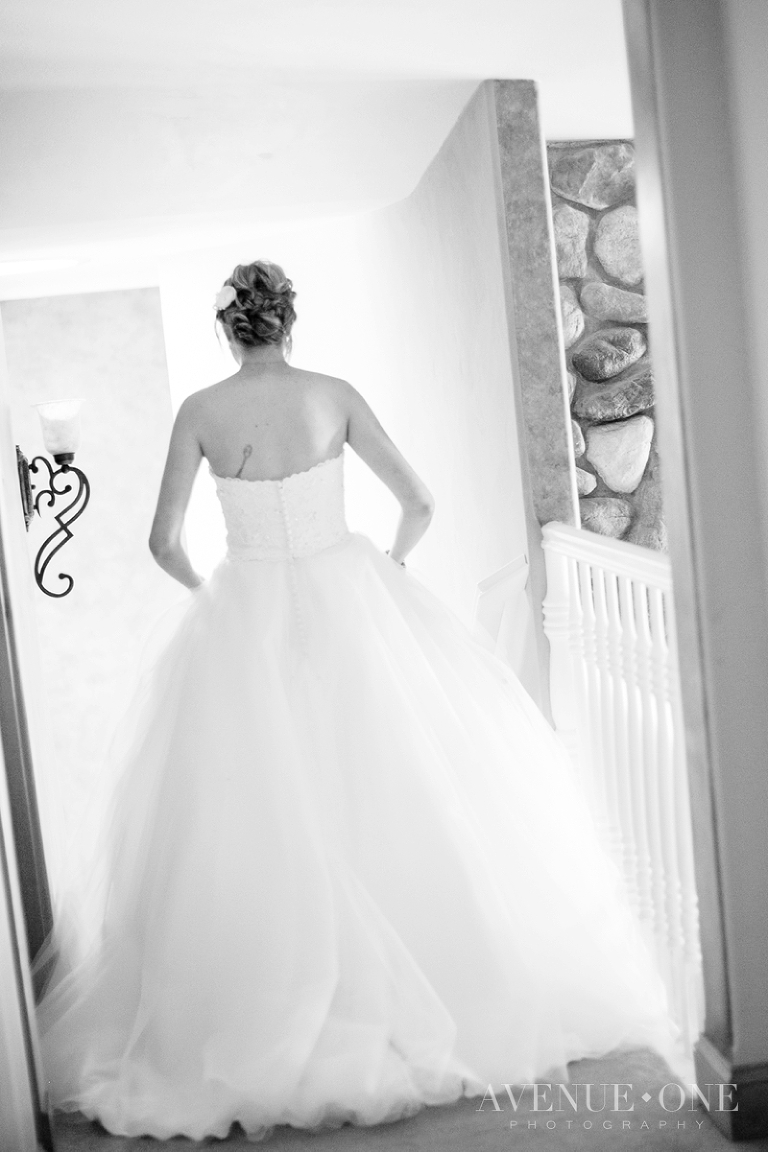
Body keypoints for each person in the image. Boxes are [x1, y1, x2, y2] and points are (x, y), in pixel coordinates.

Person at [35, 260, 685, 1142]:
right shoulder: (332, 392)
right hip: (351, 596)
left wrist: (212, 595)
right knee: (393, 789)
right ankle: (434, 996)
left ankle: (279, 1008)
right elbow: (418, 500)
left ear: (228, 330)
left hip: (247, 609)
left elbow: (162, 541)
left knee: (254, 814)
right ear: (288, 325)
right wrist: (392, 564)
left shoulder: (199, 411)